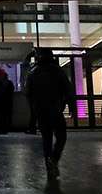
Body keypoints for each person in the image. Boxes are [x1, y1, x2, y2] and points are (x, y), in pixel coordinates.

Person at [26, 50, 70, 178]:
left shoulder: (32, 73)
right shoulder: (58, 71)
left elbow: (28, 92)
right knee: (61, 137)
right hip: (56, 110)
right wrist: (69, 104)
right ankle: (54, 159)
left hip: (41, 111)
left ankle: (49, 165)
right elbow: (67, 89)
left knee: (47, 139)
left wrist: (33, 108)